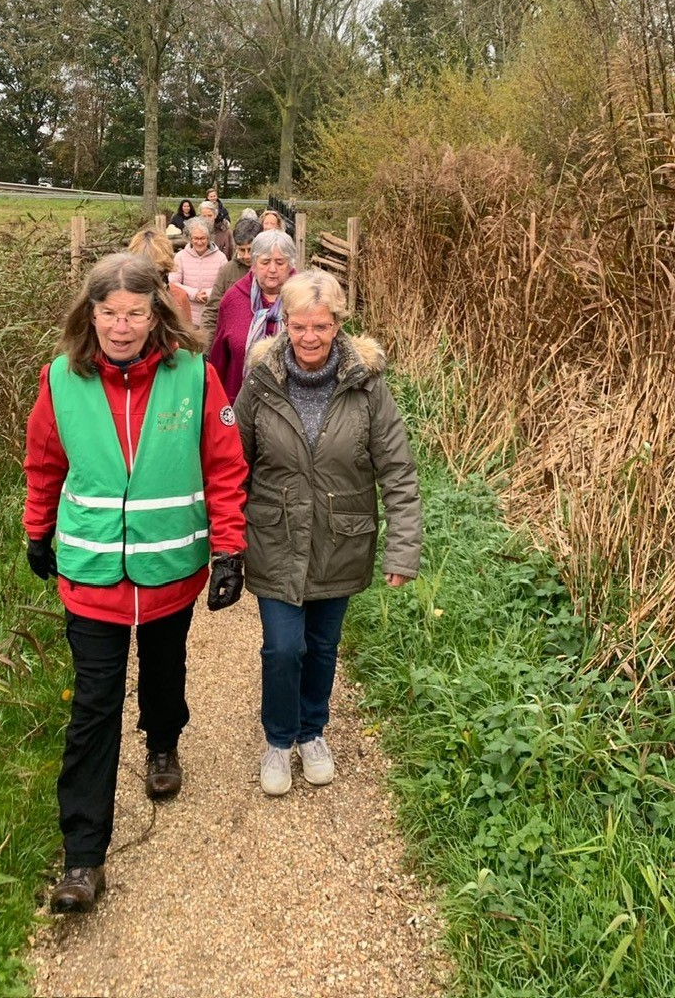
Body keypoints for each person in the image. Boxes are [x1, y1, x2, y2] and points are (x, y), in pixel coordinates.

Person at [23, 254, 246, 914]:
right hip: (92, 575)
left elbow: (224, 467)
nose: (122, 327)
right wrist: (38, 531)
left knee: (164, 668)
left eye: (135, 314)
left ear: (157, 317)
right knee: (92, 707)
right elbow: (44, 462)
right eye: (109, 313)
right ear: (89, 316)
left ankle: (163, 741)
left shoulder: (194, 379)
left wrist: (230, 550)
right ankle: (84, 859)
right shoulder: (61, 379)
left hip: (170, 568)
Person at [234, 270, 421, 797]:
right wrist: (224, 540)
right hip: (274, 536)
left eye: (321, 325)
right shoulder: (261, 381)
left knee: (321, 646)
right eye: (298, 326)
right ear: (283, 324)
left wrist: (403, 549)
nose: (309, 337)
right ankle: (278, 738)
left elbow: (398, 469)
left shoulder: (368, 386)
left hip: (342, 539)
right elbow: (232, 464)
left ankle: (312, 732)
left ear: (339, 324)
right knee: (283, 647)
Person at [208, 230, 295, 403]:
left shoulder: (303, 298)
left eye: (280, 262)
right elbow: (220, 359)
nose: (272, 269)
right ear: (253, 264)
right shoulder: (233, 299)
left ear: (291, 265)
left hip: (292, 404)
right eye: (265, 262)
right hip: (241, 401)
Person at [201, 215, 262, 344]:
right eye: (242, 250)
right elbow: (212, 312)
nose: (246, 256)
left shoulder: (272, 271)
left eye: (250, 250)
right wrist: (206, 348)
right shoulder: (227, 272)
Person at [127, 226, 191, 326]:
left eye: (157, 272)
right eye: (144, 272)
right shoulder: (120, 297)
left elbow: (187, 338)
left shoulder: (179, 297)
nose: (151, 279)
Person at [169, 217, 227, 327]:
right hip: (187, 316)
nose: (199, 242)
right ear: (190, 238)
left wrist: (208, 294)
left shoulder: (221, 258)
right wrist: (194, 294)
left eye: (203, 238)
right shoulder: (180, 257)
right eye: (196, 238)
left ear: (209, 238)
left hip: (212, 317)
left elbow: (225, 286)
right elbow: (173, 283)